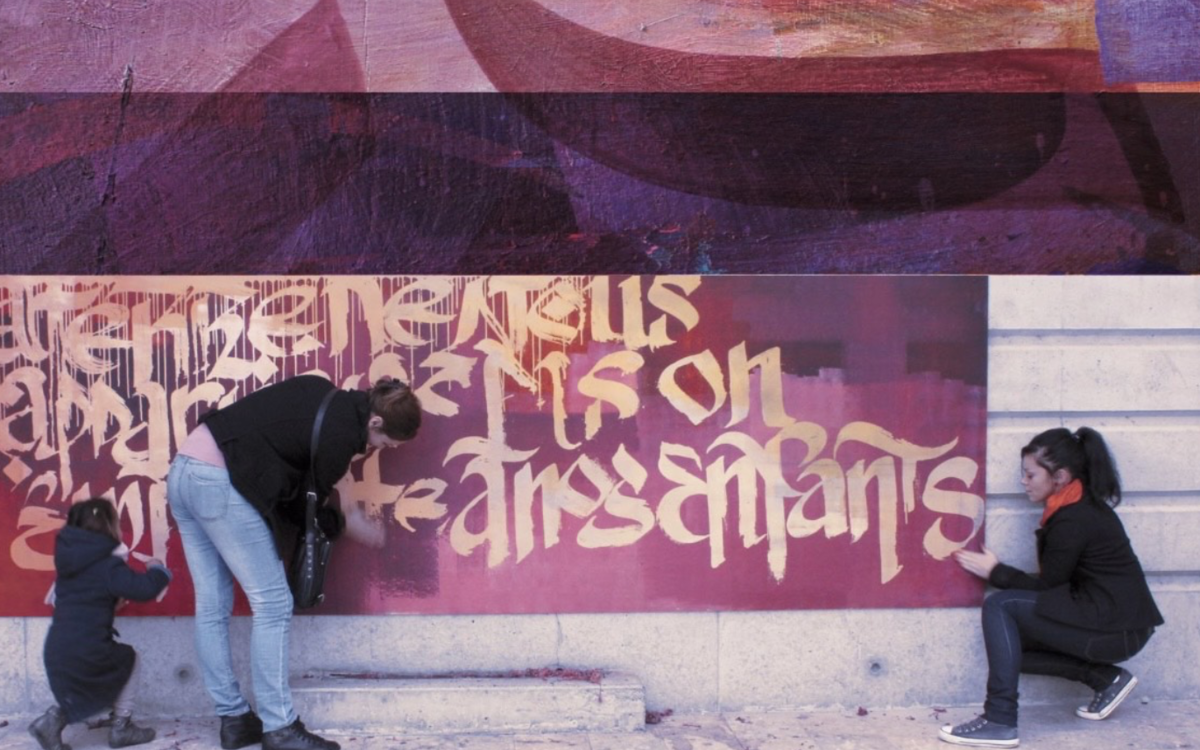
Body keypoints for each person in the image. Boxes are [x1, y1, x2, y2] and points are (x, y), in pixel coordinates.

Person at [166, 374, 421, 750]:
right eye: (384, 442)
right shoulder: (340, 438)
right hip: (218, 483)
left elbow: (276, 453)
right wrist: (344, 524)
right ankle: (280, 727)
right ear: (375, 421)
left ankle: (235, 720)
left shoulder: (319, 389)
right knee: (273, 604)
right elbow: (303, 507)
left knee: (212, 605)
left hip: (184, 470)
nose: (378, 448)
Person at [939, 427, 1164, 748]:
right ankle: (1105, 678)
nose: (1023, 481)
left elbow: (1047, 588)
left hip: (1116, 630)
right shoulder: (1072, 508)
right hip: (1117, 626)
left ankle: (999, 719)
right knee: (1013, 648)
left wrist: (996, 572)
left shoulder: (1074, 519)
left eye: (1031, 475)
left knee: (999, 605)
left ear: (1059, 476)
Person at [29, 497, 172, 750]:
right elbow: (142, 589)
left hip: (57, 649)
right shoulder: (108, 565)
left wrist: (108, 603)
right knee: (129, 659)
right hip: (88, 649)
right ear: (110, 529)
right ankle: (122, 727)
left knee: (84, 685)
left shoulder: (68, 563)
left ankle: (50, 721)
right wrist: (157, 570)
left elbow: (74, 598)